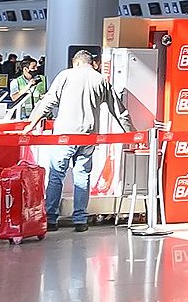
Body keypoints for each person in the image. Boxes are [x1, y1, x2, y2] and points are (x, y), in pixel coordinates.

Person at [31, 46, 126, 232]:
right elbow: (118, 110)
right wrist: (133, 134)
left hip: (64, 136)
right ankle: (80, 220)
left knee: (57, 175)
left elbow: (49, 101)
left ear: (76, 62)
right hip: (89, 137)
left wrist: (31, 123)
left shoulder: (65, 75)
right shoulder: (101, 79)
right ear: (92, 64)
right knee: (82, 177)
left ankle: (51, 219)